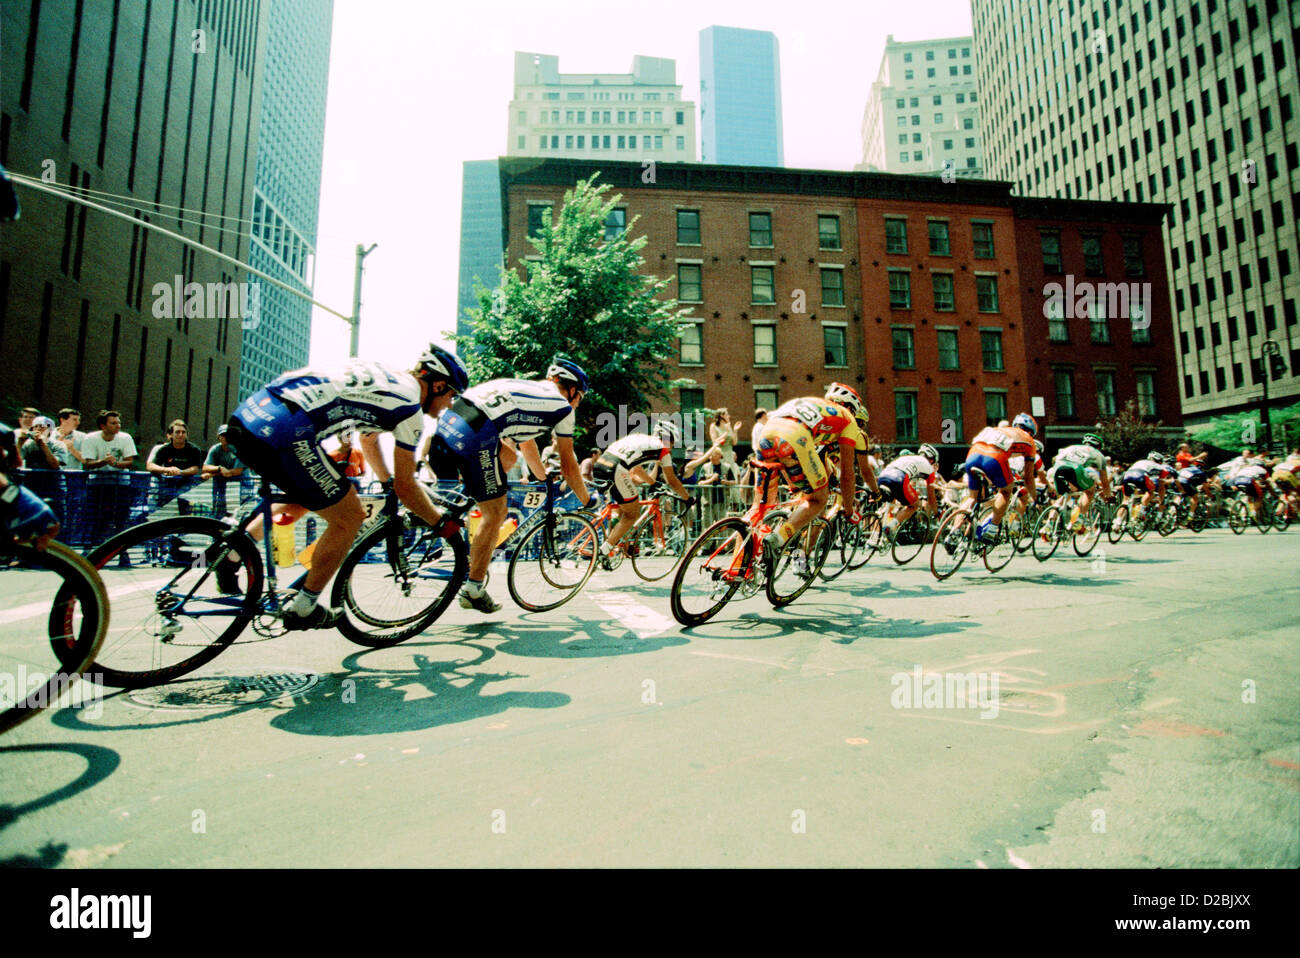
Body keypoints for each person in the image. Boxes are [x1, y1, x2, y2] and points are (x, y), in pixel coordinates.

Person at [218, 345, 469, 630]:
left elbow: (370, 439)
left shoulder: (389, 379)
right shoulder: (410, 409)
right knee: (349, 516)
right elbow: (407, 488)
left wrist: (386, 479)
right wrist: (441, 522)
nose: (450, 404)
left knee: (308, 497)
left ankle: (233, 554)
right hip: (287, 428)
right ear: (438, 385)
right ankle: (303, 607)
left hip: (252, 413)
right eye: (452, 395)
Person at [428, 356, 595, 614]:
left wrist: (542, 478)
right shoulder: (562, 407)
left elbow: (526, 446)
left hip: (452, 419)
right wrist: (587, 500)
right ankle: (473, 589)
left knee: (508, 457)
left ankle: (459, 511)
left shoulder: (531, 391)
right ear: (572, 390)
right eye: (580, 397)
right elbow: (569, 466)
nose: (578, 403)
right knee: (497, 513)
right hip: (477, 431)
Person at [755, 383, 880, 565]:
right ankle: (782, 543)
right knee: (818, 502)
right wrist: (849, 507)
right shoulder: (848, 424)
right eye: (860, 422)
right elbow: (848, 472)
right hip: (797, 443)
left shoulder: (819, 407)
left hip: (768, 434)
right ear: (852, 410)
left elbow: (822, 458)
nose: (860, 428)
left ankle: (741, 566)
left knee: (758, 506)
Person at [592, 420, 694, 568]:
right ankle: (603, 551)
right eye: (672, 443)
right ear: (667, 439)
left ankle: (608, 546)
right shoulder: (662, 449)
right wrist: (688, 498)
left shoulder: (640, 438)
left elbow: (638, 470)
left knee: (624, 509)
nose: (671, 447)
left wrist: (653, 483)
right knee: (632, 514)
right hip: (616, 469)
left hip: (602, 463)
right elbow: (672, 480)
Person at [956, 412, 1039, 544]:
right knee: (1006, 491)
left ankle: (954, 531)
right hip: (994, 457)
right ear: (1030, 432)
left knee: (973, 497)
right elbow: (1028, 478)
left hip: (973, 454)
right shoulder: (1029, 441)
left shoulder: (1000, 429)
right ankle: (992, 530)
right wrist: (1035, 498)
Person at [81, 409, 138, 543]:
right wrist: (103, 462)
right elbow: (88, 463)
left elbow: (129, 461)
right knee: (96, 517)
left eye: (119, 422)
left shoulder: (125, 437)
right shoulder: (90, 438)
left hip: (120, 483)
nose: (118, 425)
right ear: (103, 426)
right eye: (113, 423)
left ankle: (123, 553)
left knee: (121, 518)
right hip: (97, 484)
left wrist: (116, 463)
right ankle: (92, 548)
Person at [1046, 434, 1113, 532]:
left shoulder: (1071, 447)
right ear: (1099, 447)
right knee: (1089, 491)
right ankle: (1078, 519)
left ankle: (1049, 523)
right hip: (1075, 469)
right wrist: (1108, 495)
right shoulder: (1098, 454)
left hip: (1057, 468)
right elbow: (1105, 481)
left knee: (1065, 495)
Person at [876, 444, 941, 533]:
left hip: (883, 476)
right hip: (898, 478)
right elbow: (931, 497)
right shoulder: (929, 468)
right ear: (932, 460)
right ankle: (890, 527)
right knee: (914, 505)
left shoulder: (909, 457)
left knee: (889, 505)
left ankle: (875, 535)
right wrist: (937, 512)